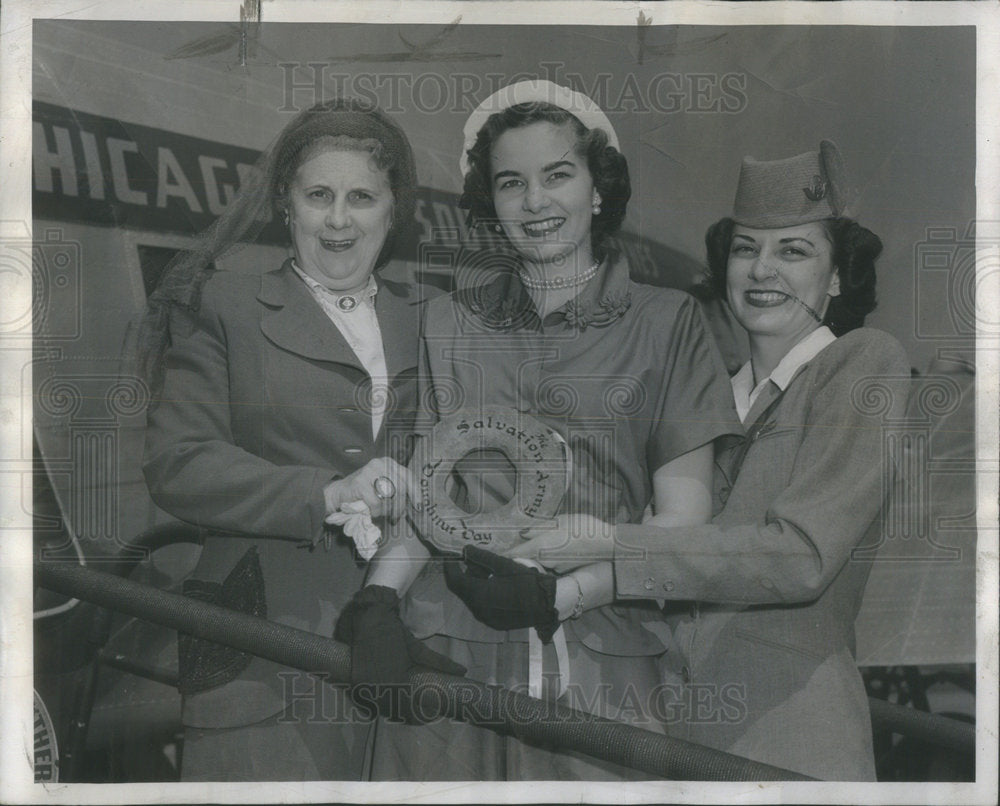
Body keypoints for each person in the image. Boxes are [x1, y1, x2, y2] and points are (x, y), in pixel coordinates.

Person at [337, 80, 741, 780]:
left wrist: (563, 593)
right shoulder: (448, 323)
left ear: (597, 188)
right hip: (452, 653)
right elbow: (429, 500)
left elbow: (686, 527)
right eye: (511, 184)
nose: (535, 202)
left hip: (602, 664)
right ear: (490, 204)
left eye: (558, 176)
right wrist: (379, 598)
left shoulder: (667, 322)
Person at [498, 141, 911, 780]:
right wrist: (565, 589)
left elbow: (798, 557)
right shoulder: (708, 396)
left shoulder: (862, 364)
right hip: (675, 744)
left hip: (792, 745)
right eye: (746, 249)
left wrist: (610, 543)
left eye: (793, 250)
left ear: (836, 278)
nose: (762, 269)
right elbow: (679, 558)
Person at [138, 98, 462, 781]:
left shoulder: (432, 319)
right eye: (318, 195)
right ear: (287, 205)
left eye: (361, 198)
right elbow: (179, 463)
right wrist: (326, 492)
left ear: (392, 211)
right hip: (259, 649)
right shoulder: (220, 305)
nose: (339, 219)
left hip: (402, 647)